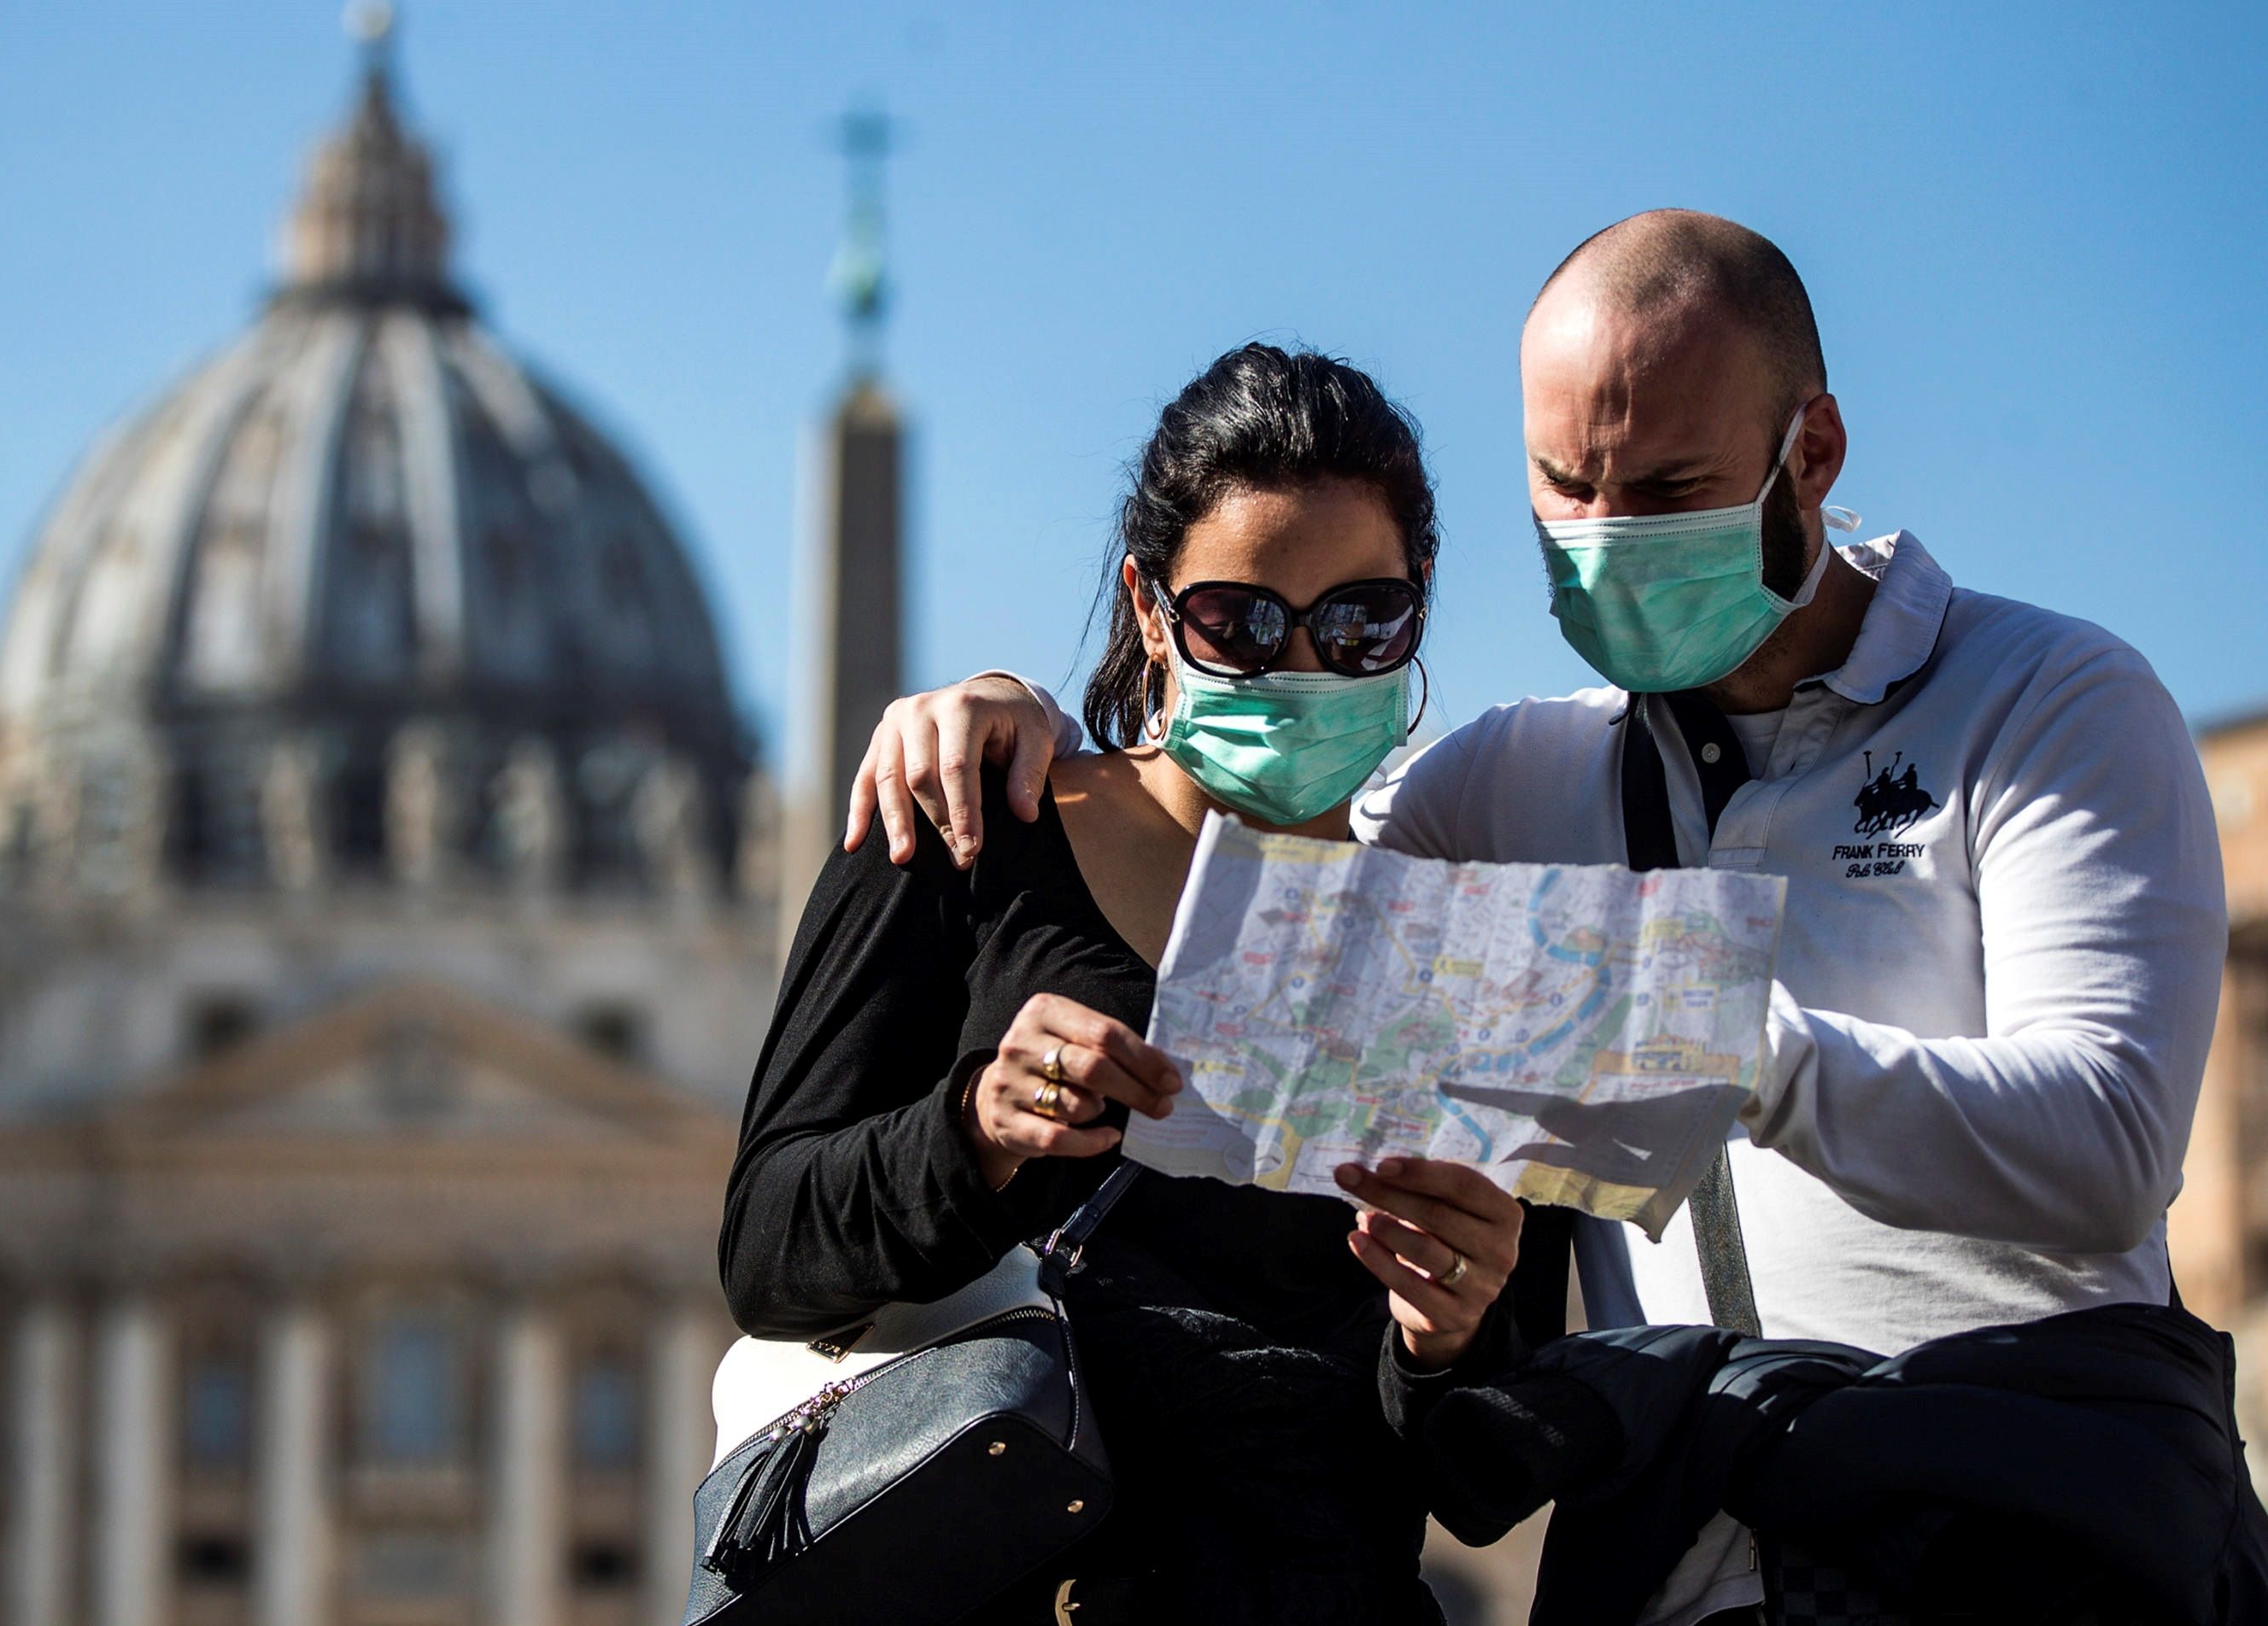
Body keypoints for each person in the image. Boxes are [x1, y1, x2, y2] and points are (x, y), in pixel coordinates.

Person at [841, 212, 2232, 1623]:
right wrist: (1020, 715)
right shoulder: (1517, 780)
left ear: (1809, 456)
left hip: (2009, 1534)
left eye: (1667, 490)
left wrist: (1727, 1041)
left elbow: (2109, 1143)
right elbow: (1254, 859)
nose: (1608, 540)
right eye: (1567, 489)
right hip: (1683, 1561)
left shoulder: (2048, 701)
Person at [721, 345, 1545, 1625]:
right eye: (1242, 622)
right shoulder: (967, 829)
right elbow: (768, 1252)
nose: (1304, 668)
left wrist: (1458, 1327)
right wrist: (975, 1131)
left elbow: (1483, 1477)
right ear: (1153, 608)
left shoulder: (1465, 931)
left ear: (1419, 607)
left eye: (1359, 621)